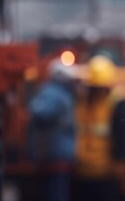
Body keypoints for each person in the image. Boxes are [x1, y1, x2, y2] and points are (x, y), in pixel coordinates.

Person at [73, 55, 125, 201]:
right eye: (93, 87)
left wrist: (120, 161)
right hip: (83, 169)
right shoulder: (81, 101)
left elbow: (123, 135)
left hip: (107, 171)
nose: (96, 91)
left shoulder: (117, 102)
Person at [27, 58, 78, 201]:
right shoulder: (60, 94)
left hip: (53, 155)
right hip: (58, 155)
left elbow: (37, 112)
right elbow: (41, 113)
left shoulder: (53, 93)